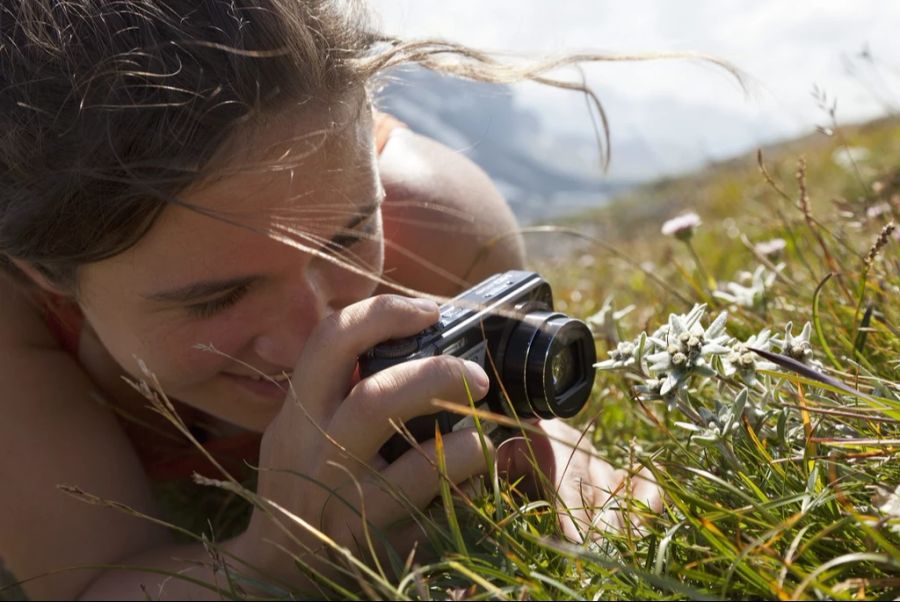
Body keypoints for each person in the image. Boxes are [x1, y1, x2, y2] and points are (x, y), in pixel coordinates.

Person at [0, 1, 661, 599]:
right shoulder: (15, 329)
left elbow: (522, 438)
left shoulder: (440, 231)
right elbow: (83, 582)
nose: (309, 336)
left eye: (348, 236)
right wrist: (271, 561)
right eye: (216, 299)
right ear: (43, 274)